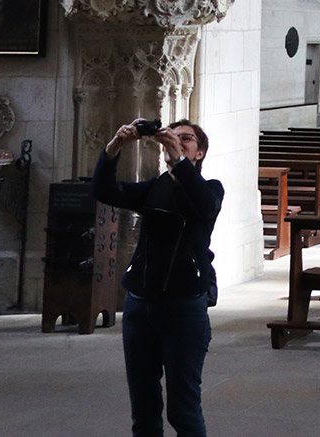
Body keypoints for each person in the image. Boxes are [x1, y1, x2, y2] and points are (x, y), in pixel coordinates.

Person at [93, 118, 223, 437]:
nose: (178, 143)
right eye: (173, 138)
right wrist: (115, 146)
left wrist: (178, 161)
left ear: (199, 153)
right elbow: (103, 190)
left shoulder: (209, 189)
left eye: (187, 140)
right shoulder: (154, 188)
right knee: (144, 408)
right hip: (140, 306)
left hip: (184, 309)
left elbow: (204, 208)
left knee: (183, 410)